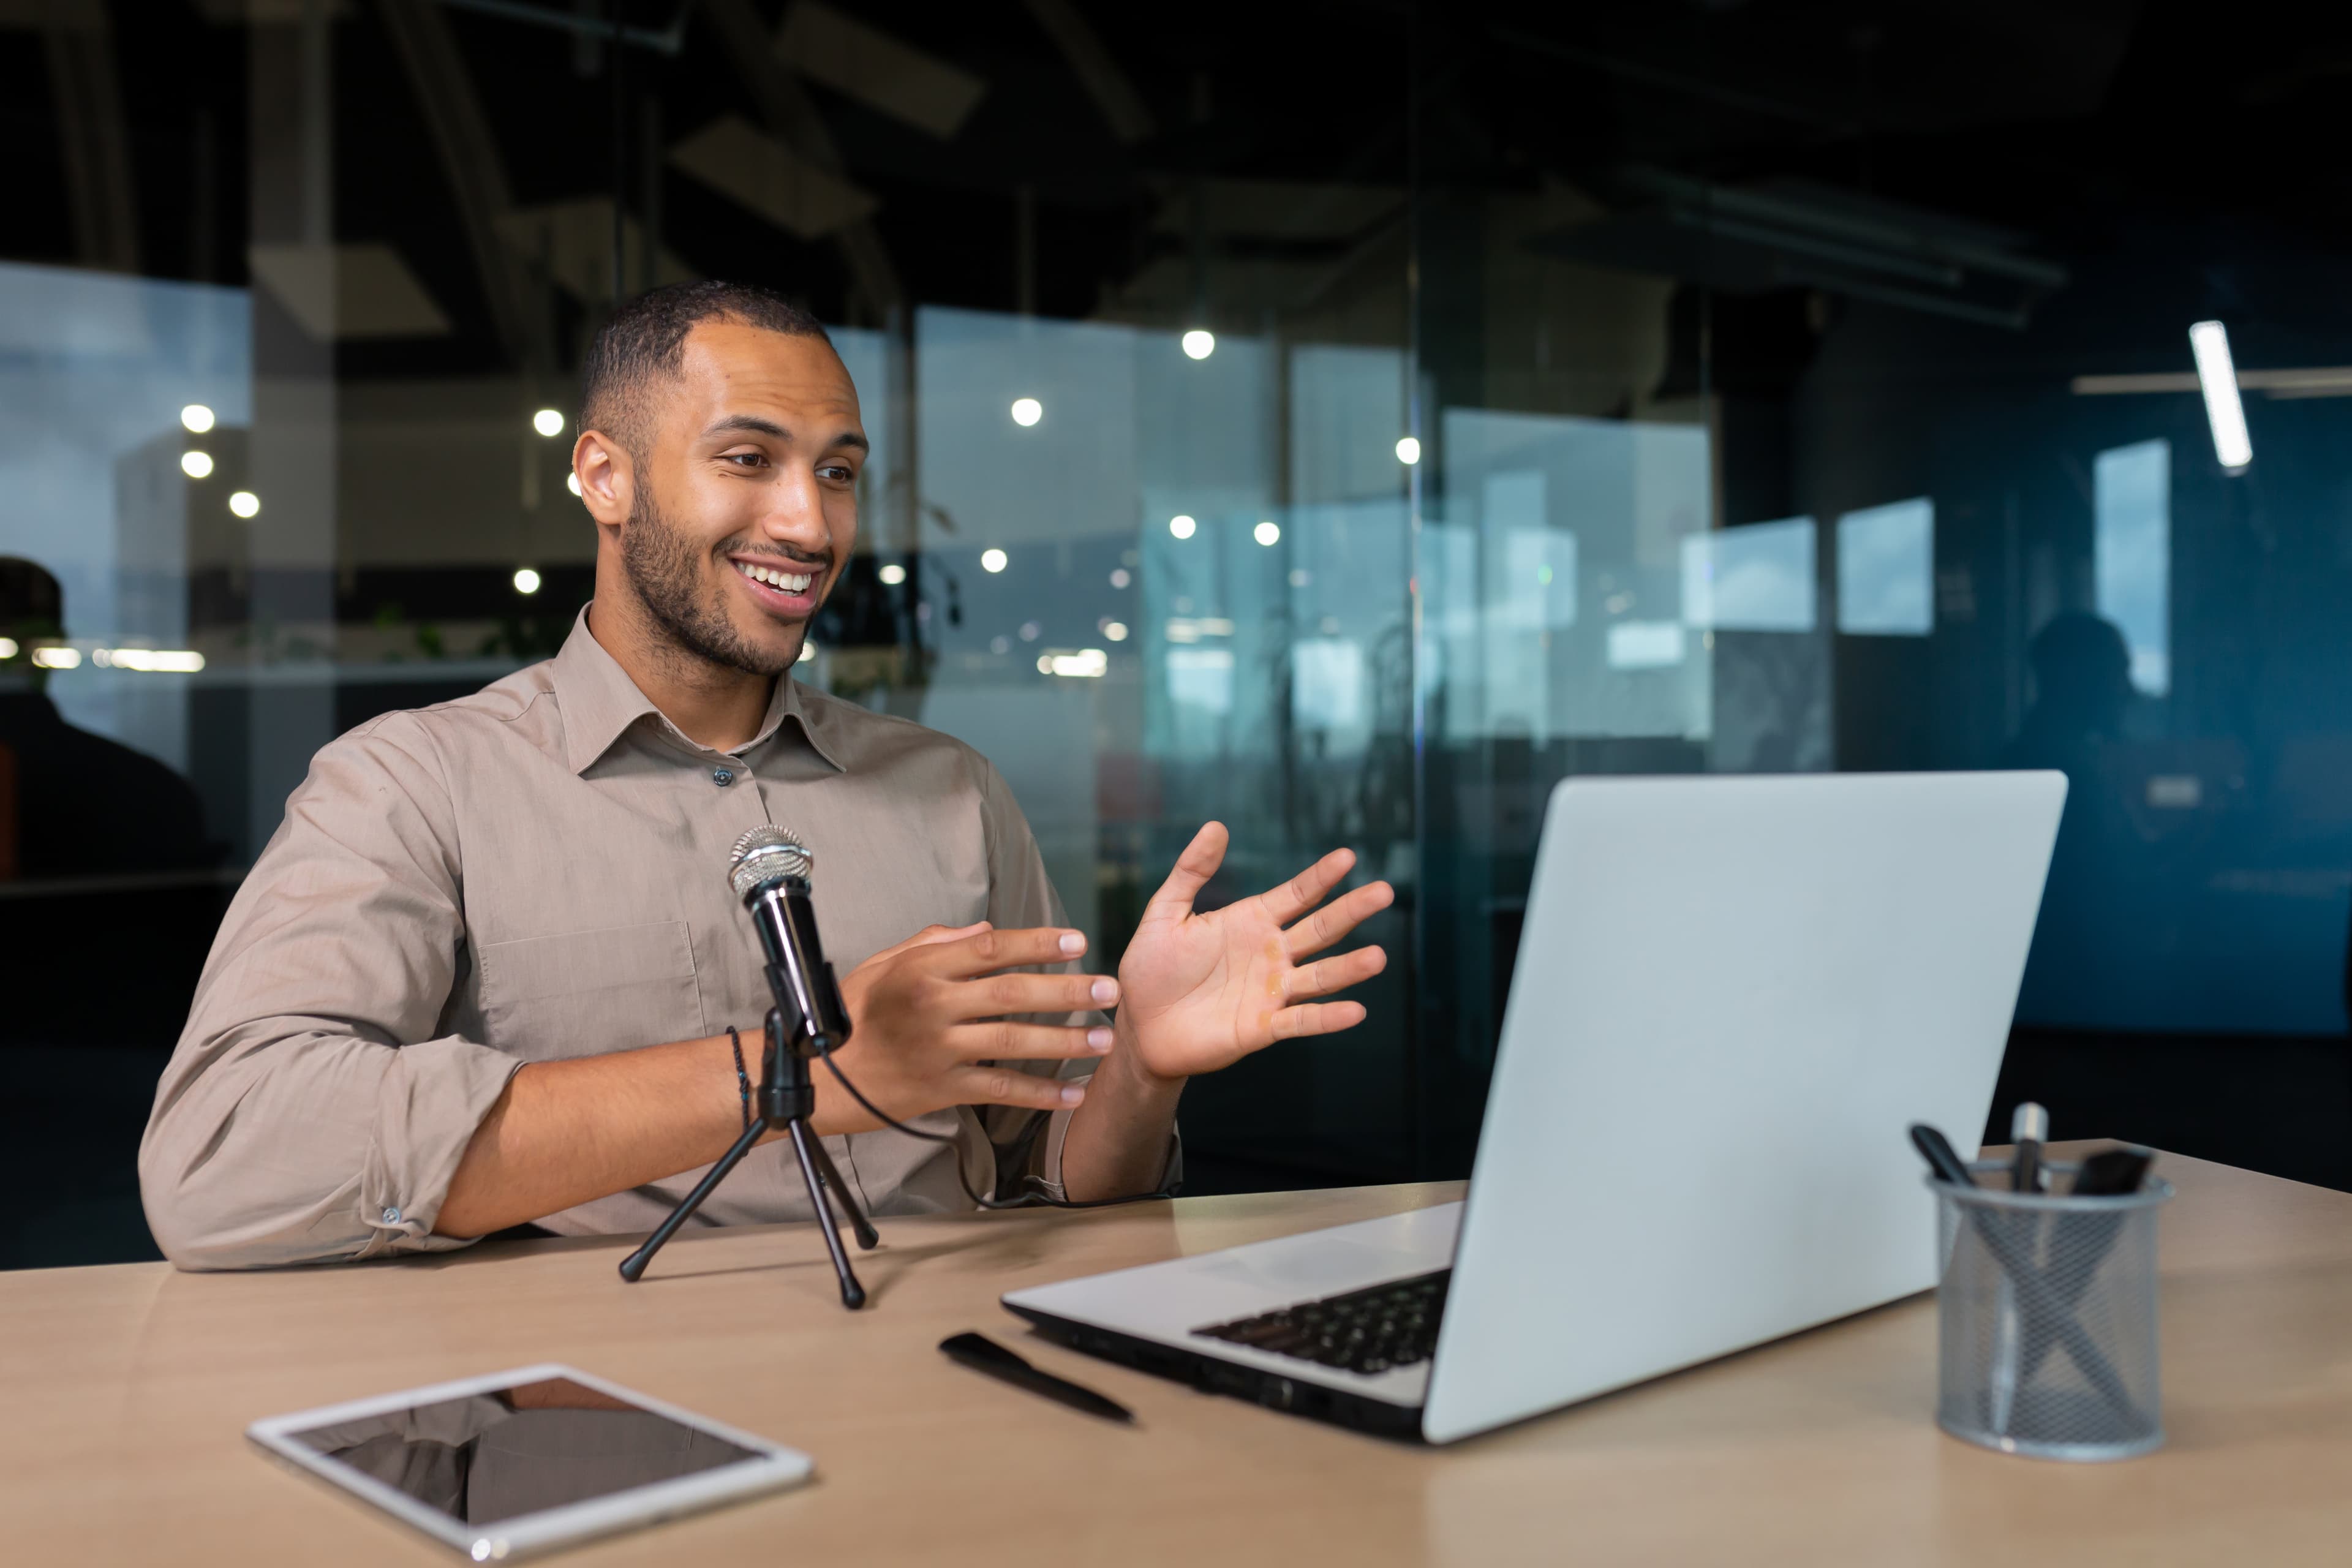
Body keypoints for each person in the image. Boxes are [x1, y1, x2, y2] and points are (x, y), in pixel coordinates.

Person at [138, 282, 1392, 1270]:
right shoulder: (411, 784)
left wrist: (1141, 1069)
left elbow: (1044, 1180)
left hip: (947, 1420)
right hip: (587, 1420)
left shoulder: (956, 790)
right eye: (749, 458)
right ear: (605, 476)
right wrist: (796, 1070)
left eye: (837, 472)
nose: (809, 522)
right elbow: (223, 1157)